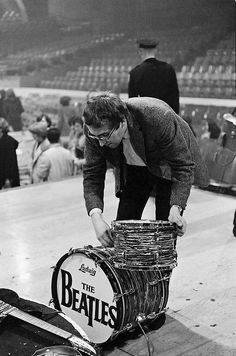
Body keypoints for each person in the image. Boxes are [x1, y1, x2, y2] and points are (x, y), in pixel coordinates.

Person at [82, 93, 209, 247]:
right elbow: (92, 173)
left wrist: (176, 208)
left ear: (122, 121)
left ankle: (162, 271)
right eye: (96, 137)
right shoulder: (94, 129)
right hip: (133, 170)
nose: (101, 143)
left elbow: (182, 166)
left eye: (104, 136)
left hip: (167, 167)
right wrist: (96, 218)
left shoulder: (158, 117)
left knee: (165, 235)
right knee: (124, 234)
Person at [128, 39, 180, 114]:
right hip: (166, 115)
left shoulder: (135, 73)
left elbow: (132, 103)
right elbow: (175, 98)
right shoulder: (169, 69)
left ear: (140, 51)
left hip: (146, 117)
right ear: (155, 50)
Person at [0, 118, 20, 189]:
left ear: (1, 129)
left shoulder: (8, 142)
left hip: (7, 181)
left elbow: (10, 163)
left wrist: (8, 180)